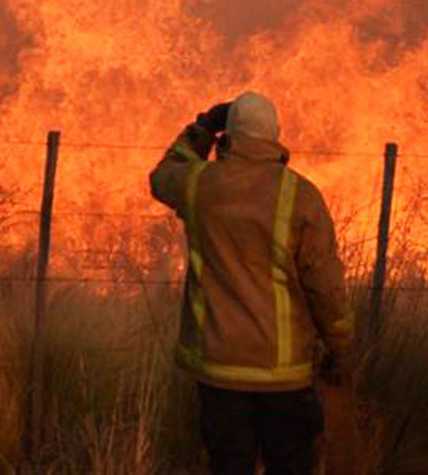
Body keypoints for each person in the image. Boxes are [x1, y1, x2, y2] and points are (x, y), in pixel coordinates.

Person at [150, 92, 354, 475]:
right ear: (276, 139)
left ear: (228, 138)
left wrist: (203, 129)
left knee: (228, 466)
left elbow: (162, 176)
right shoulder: (301, 196)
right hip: (284, 377)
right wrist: (340, 346)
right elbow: (325, 285)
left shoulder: (199, 184)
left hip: (220, 373)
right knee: (290, 465)